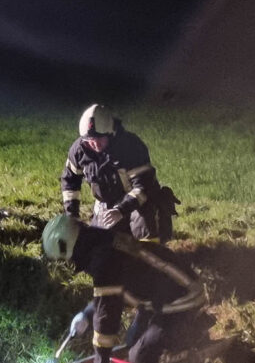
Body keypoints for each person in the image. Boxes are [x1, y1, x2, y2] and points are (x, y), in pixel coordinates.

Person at [42, 215, 206, 363]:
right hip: (160, 299)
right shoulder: (98, 244)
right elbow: (111, 295)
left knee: (141, 357)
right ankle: (184, 335)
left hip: (183, 297)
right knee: (132, 344)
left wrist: (101, 359)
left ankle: (190, 354)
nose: (67, 264)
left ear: (67, 247)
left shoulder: (103, 259)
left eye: (63, 259)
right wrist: (87, 314)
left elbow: (107, 317)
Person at [61, 103, 179, 244]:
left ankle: (153, 252)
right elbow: (70, 182)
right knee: (100, 244)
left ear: (111, 133)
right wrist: (72, 215)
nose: (96, 145)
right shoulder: (80, 151)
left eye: (101, 139)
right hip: (108, 204)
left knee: (145, 228)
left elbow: (143, 188)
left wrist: (121, 210)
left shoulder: (131, 147)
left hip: (140, 203)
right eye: (91, 141)